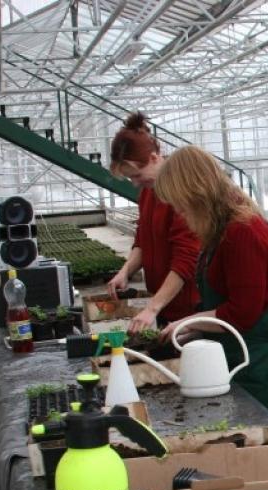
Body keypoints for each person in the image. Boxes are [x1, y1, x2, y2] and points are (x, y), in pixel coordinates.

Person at [153, 146, 268, 442]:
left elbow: (242, 313)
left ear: (196, 194)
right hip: (245, 358)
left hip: (267, 368)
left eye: (181, 205)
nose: (180, 213)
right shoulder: (221, 230)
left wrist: (189, 322)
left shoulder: (242, 231)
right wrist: (196, 331)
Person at [108, 112, 201, 333]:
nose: (134, 183)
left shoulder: (181, 191)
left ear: (154, 158)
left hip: (188, 309)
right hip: (163, 303)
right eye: (130, 178)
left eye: (137, 175)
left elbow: (186, 259)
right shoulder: (148, 192)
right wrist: (126, 271)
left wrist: (152, 308)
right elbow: (143, 239)